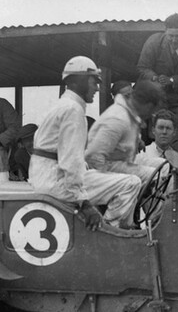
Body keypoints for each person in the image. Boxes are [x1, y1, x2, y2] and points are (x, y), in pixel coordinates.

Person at [28, 55, 141, 231]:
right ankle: (112, 233)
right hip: (57, 182)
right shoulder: (73, 110)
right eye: (93, 82)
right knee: (131, 182)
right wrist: (84, 203)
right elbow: (70, 162)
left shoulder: (62, 105)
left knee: (108, 176)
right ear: (78, 81)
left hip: (45, 178)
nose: (97, 88)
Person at [85, 80, 165, 184]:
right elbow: (93, 158)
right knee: (153, 175)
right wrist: (112, 181)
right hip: (104, 167)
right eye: (151, 110)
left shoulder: (130, 116)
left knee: (163, 166)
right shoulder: (117, 119)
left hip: (122, 160)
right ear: (147, 105)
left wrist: (137, 141)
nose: (150, 114)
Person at [136, 13, 178, 109]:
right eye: (170, 36)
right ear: (165, 31)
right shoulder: (153, 42)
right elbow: (142, 67)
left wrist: (172, 80)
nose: (174, 40)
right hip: (151, 94)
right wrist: (156, 78)